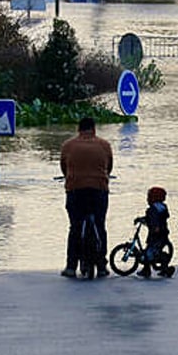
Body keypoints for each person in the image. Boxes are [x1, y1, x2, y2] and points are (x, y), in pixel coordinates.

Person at [59, 117, 113, 278]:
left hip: (75, 190)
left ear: (79, 129)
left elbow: (64, 168)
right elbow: (109, 167)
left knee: (75, 227)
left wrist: (71, 178)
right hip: (99, 190)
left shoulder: (68, 145)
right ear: (94, 129)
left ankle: (71, 267)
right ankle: (102, 266)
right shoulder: (104, 145)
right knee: (100, 225)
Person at [136, 186, 175, 278]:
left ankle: (164, 268)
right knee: (149, 251)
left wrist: (155, 227)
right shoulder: (162, 208)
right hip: (162, 234)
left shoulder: (153, 210)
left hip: (156, 235)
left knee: (150, 252)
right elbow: (152, 219)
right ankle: (147, 269)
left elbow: (153, 220)